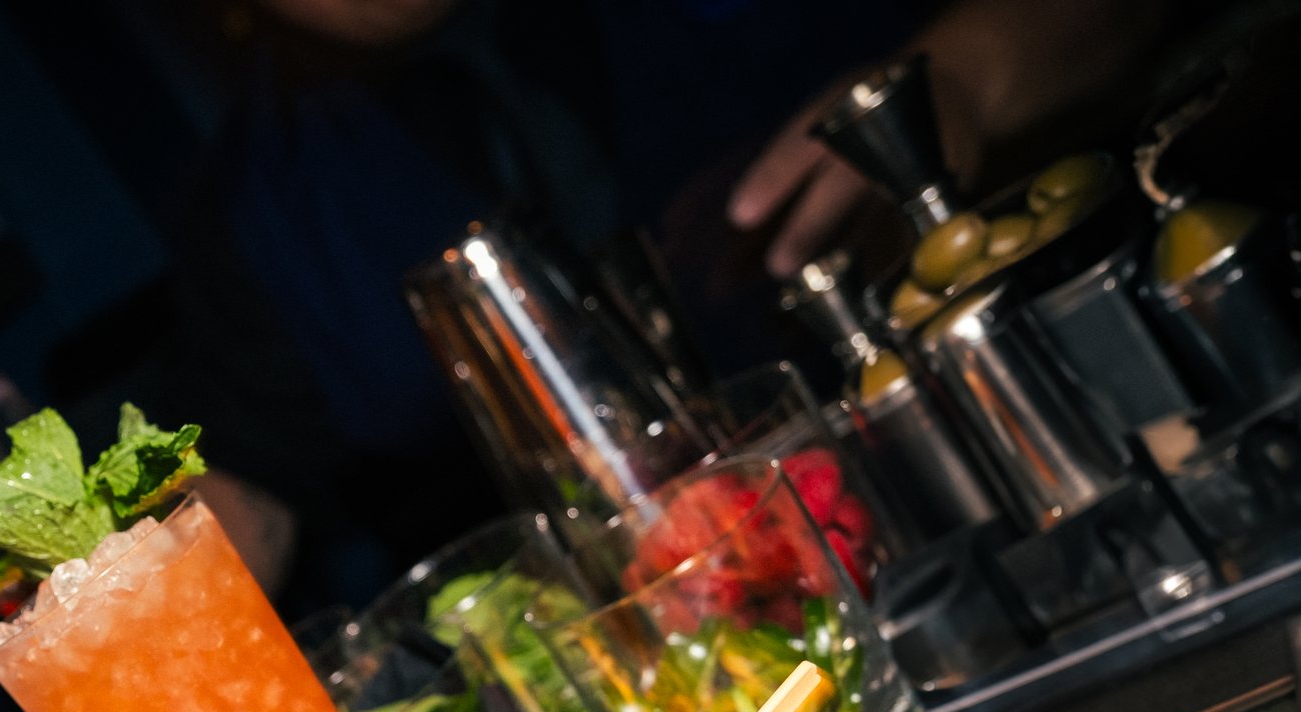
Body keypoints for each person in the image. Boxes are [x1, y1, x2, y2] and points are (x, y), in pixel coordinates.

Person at [149, 0, 1195, 608]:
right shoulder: (257, 207)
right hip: (720, 645)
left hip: (1090, 453)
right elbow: (255, 482)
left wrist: (962, 83)